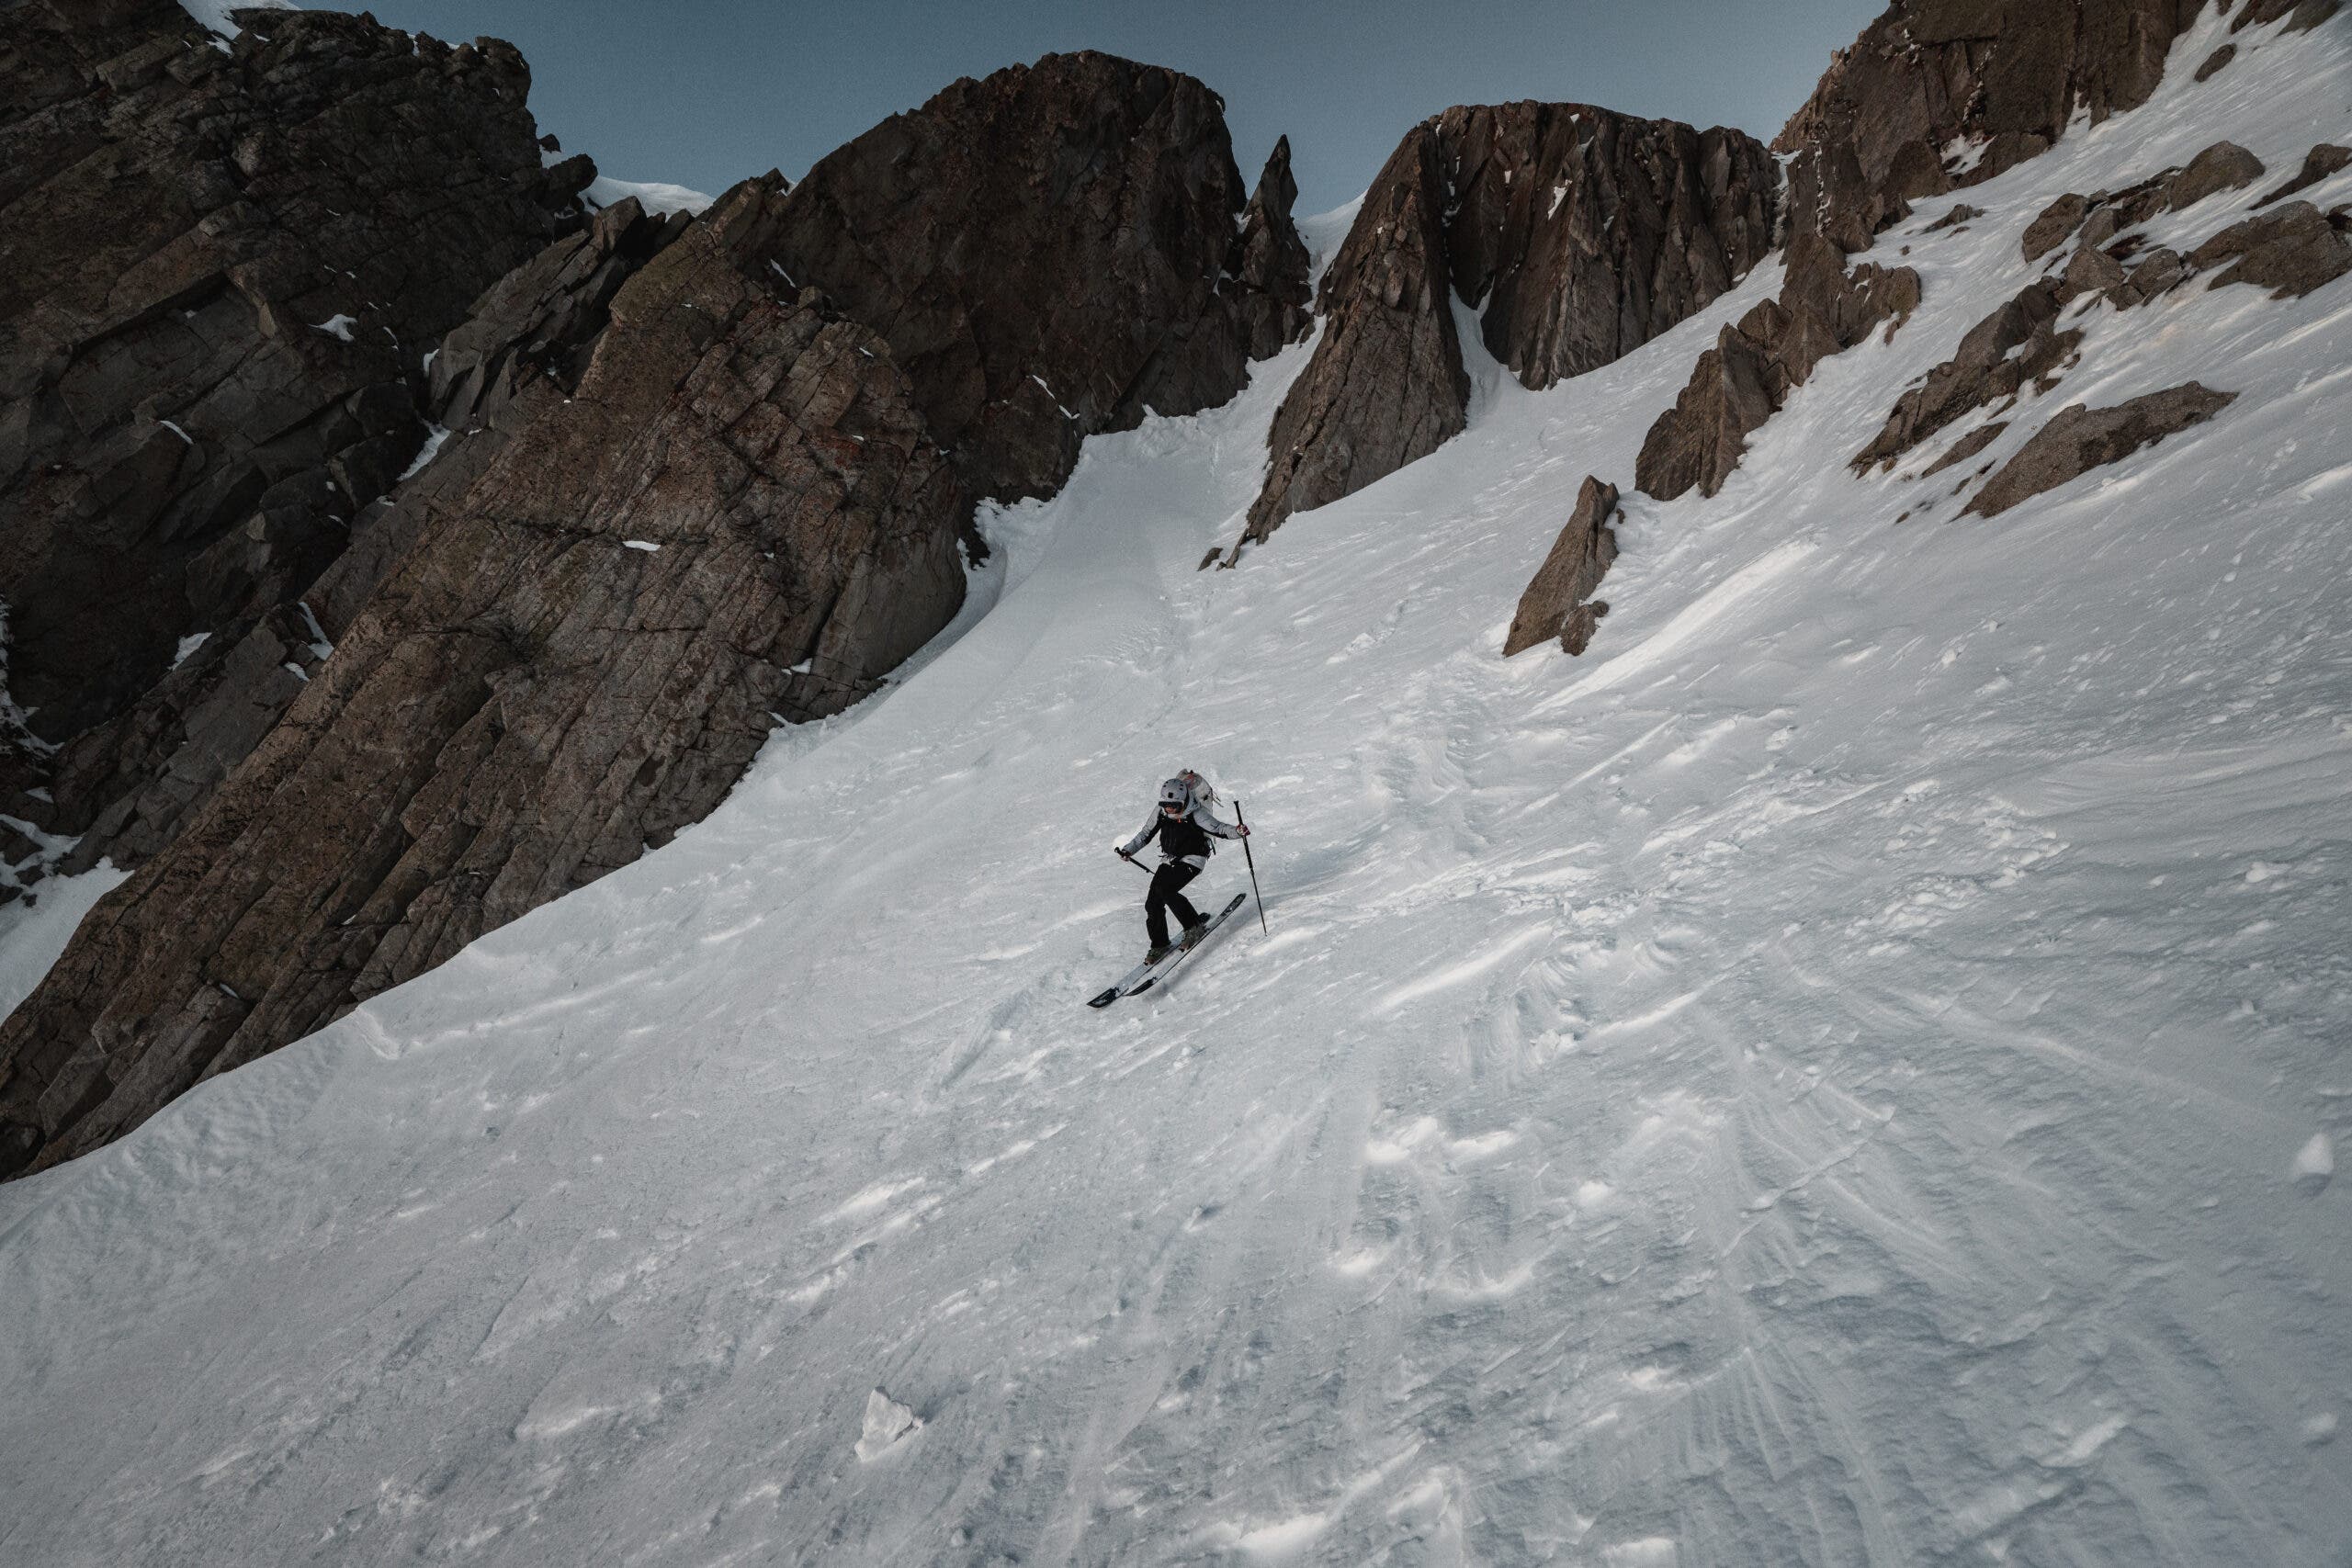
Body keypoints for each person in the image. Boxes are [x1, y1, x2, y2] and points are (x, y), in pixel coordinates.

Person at [1117, 770, 1248, 960]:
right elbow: (1145, 834)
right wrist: (1129, 850)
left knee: (1166, 890)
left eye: (1174, 805)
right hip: (1170, 859)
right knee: (1152, 903)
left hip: (1193, 858)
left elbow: (1219, 829)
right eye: (1166, 805)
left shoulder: (1197, 814)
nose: (1169, 809)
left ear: (1184, 800)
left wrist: (1238, 831)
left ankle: (1193, 927)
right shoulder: (1161, 812)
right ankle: (1159, 944)